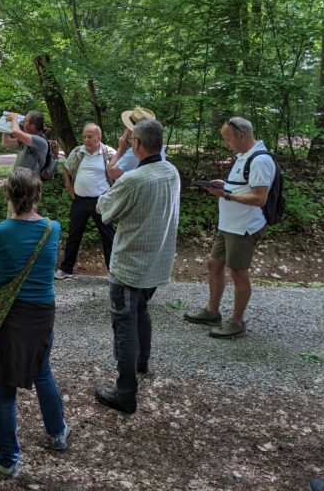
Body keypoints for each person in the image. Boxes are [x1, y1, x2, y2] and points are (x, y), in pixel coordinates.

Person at [0, 167, 69, 478]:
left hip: (10, 314)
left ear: (8, 195)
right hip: (43, 312)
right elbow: (46, 266)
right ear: (38, 194)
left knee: (4, 387)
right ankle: (58, 433)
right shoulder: (52, 228)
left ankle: (7, 458)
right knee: (42, 370)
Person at [95, 119, 180, 414]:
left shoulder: (134, 179)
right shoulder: (171, 172)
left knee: (124, 322)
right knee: (141, 310)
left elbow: (103, 209)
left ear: (138, 145)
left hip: (130, 264)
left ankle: (126, 391)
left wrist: (108, 195)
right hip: (157, 261)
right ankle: (142, 363)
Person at [184, 117, 276, 339]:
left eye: (227, 138)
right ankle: (212, 312)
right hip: (229, 225)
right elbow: (244, 187)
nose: (226, 143)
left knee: (238, 273)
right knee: (214, 264)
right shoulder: (243, 156)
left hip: (244, 226)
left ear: (241, 136)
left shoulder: (260, 160)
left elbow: (259, 198)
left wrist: (226, 194)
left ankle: (236, 322)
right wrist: (224, 185)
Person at [54, 123, 116, 280]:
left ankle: (114, 272)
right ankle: (66, 269)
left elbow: (118, 175)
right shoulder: (77, 152)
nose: (86, 139)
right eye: (84, 136)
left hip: (100, 201)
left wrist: (110, 195)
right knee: (74, 235)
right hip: (80, 200)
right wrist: (69, 188)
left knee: (108, 236)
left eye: (90, 136)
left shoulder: (108, 153)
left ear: (99, 137)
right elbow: (66, 170)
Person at [106, 107, 166, 182]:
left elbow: (111, 172)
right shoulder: (158, 145)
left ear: (132, 131)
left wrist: (121, 150)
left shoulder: (135, 152)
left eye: (128, 127)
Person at [2, 111, 49, 176]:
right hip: (18, 181)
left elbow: (15, 132)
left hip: (30, 183)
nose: (23, 122)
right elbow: (6, 143)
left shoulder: (40, 141)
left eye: (25, 121)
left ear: (32, 126)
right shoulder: (25, 140)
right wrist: (7, 124)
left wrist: (14, 119)